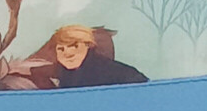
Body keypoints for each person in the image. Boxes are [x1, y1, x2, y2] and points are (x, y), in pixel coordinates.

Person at [8, 25, 148, 88]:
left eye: (74, 46)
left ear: (88, 46)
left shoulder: (111, 72)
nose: (67, 53)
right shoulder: (65, 73)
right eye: (61, 49)